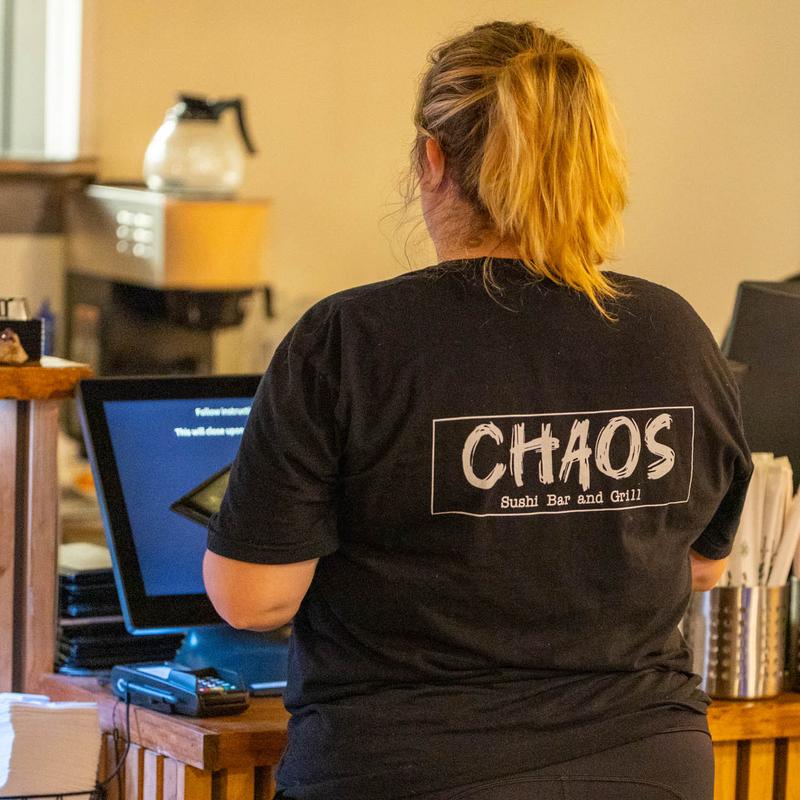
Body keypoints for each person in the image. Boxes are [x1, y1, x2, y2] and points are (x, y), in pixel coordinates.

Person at [203, 21, 752, 800]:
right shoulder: (675, 332)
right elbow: (701, 564)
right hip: (648, 763)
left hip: (410, 768)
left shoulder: (350, 338)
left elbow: (255, 598)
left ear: (432, 160)